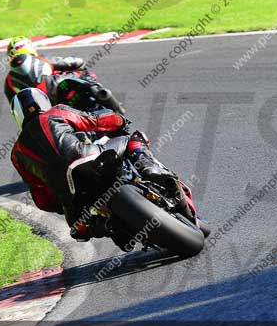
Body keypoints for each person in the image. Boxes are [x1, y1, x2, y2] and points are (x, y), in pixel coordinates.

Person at [10, 88, 188, 244]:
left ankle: (110, 226)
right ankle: (149, 168)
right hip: (88, 158)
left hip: (69, 193)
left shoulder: (16, 153)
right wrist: (120, 121)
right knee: (133, 138)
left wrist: (62, 205)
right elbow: (95, 120)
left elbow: (41, 197)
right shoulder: (56, 113)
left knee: (78, 229)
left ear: (18, 116)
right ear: (44, 102)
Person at [4, 36, 95, 105]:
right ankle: (95, 90)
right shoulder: (41, 59)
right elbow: (73, 62)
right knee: (82, 72)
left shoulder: (8, 82)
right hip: (56, 88)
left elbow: (15, 107)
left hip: (39, 108)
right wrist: (79, 65)